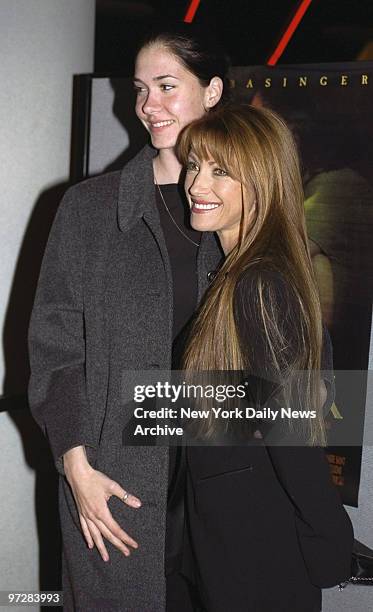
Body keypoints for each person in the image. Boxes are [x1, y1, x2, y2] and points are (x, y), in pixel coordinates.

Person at [28, 25, 230, 611]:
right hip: (117, 478)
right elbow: (55, 349)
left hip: (225, 474)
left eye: (167, 86)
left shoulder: (251, 202)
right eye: (140, 89)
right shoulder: (88, 209)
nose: (148, 106)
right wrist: (74, 463)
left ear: (212, 91)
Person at [175, 104, 354, 612]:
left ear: (261, 180)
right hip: (234, 535)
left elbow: (291, 432)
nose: (196, 184)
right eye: (194, 166)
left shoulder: (259, 281)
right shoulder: (235, 272)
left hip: (258, 547)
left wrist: (329, 539)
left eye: (220, 171)